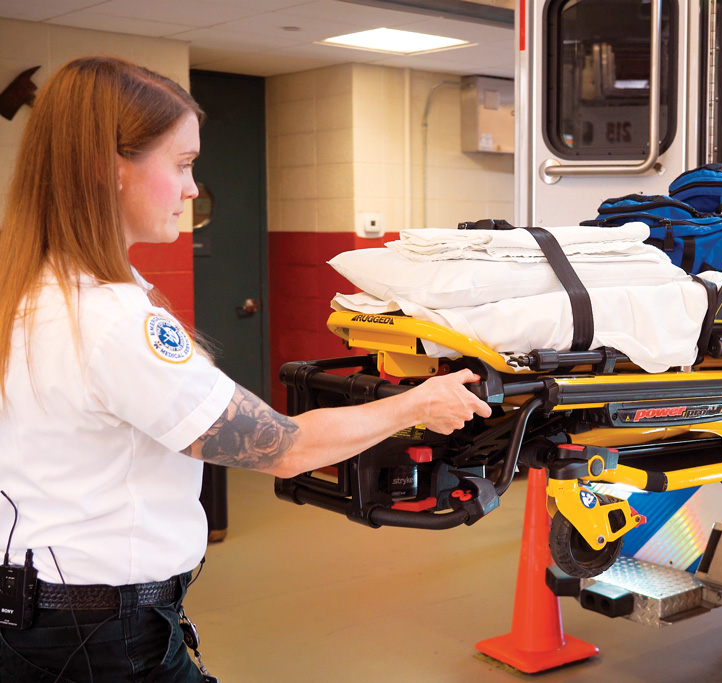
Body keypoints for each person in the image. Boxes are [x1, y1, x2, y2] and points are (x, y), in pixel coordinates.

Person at [0, 56, 491, 682]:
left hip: (37, 614)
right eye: (180, 165)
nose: (191, 188)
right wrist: (418, 404)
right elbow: (281, 448)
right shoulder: (110, 320)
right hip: (101, 638)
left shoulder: (30, 290)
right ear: (107, 170)